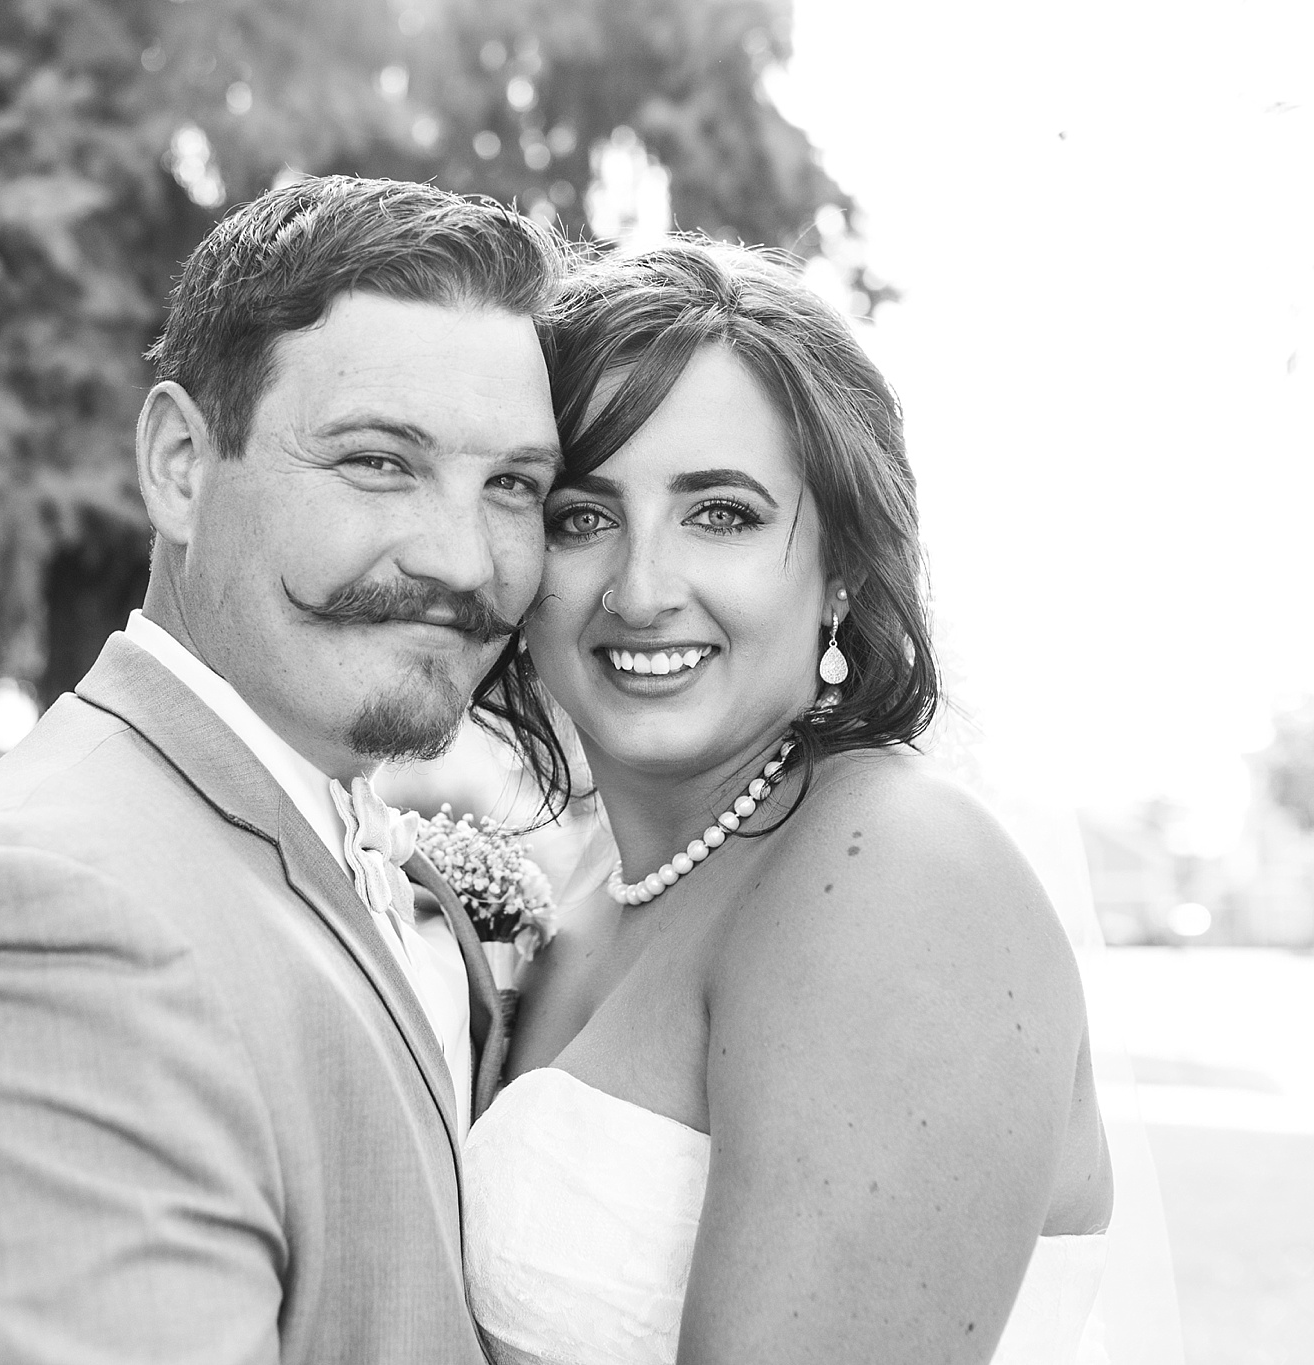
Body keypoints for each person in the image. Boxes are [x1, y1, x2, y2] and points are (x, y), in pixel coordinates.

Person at [0, 175, 570, 1364]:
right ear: (180, 466)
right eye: (376, 463)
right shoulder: (37, 932)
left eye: (512, 485)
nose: (463, 559)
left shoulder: (286, 826)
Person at [463, 241, 1117, 1365]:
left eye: (719, 513)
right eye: (581, 515)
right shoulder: (593, 884)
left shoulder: (897, 878)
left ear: (845, 569)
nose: (641, 588)